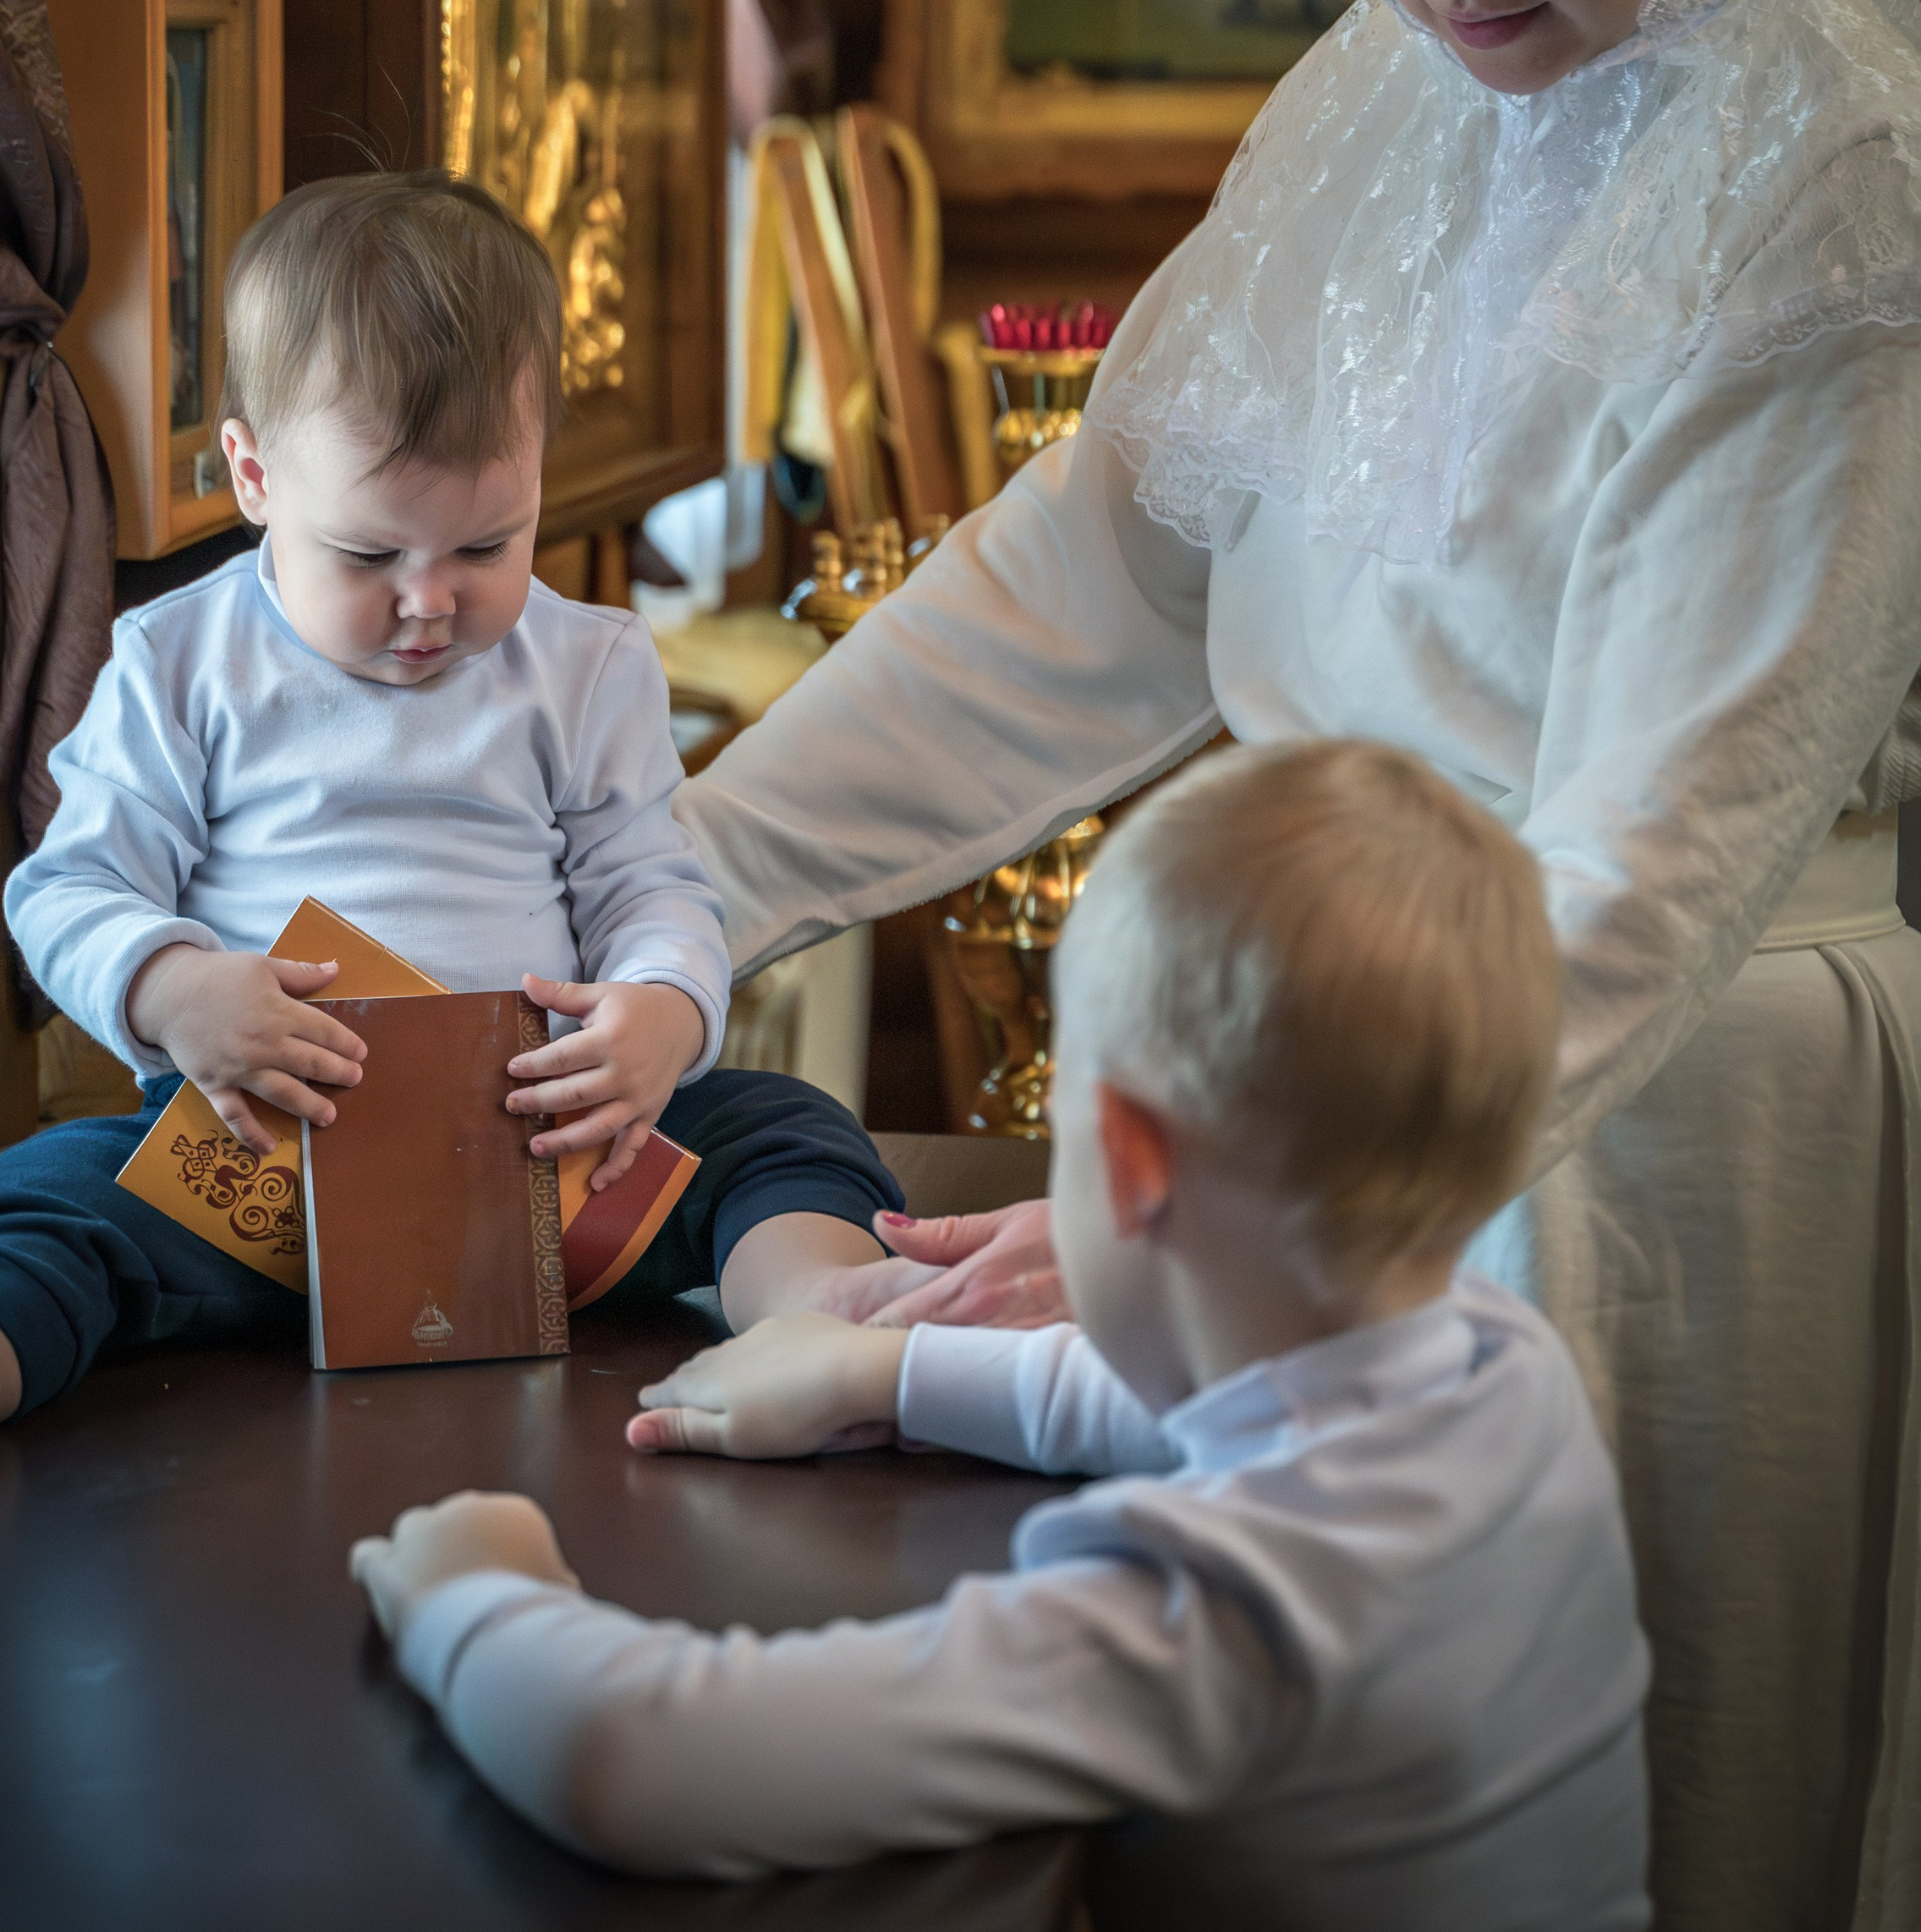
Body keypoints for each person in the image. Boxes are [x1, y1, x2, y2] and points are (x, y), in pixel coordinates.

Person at [676, 0, 1921, 1932]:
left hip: (1641, 1117)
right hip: (1335, 1088)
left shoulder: (1832, 180)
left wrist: (1243, 1195)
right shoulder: (1380, 100)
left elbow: (1648, 864)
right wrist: (687, 889)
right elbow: (1106, 560)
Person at [349, 743, 1650, 1921]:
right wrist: (894, 1367)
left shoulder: (1216, 1615)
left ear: (1128, 1158)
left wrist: (473, 1593)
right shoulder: (1504, 1363)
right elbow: (1194, 1399)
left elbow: (636, 1757)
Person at [0, 173, 897, 1477]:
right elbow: (66, 889)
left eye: (488, 545)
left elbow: (651, 882)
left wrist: (662, 1012)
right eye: (368, 556)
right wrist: (174, 987)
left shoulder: (588, 665)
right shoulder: (181, 660)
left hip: (547, 1167)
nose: (430, 602)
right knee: (44, 1194)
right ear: (253, 474)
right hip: (256, 1163)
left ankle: (822, 1324)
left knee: (785, 1127)